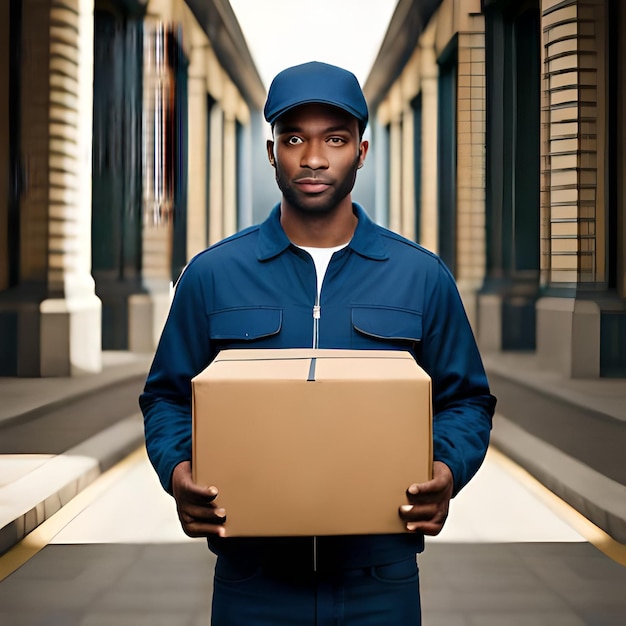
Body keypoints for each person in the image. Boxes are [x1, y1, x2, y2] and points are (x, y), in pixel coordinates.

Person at [140, 60, 496, 625]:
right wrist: (178, 468)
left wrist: (446, 469)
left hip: (380, 580)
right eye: (293, 139)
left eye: (334, 139)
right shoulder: (211, 275)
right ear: (271, 151)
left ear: (361, 149)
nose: (312, 158)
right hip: (251, 580)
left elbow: (467, 399)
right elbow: (165, 397)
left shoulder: (420, 275)